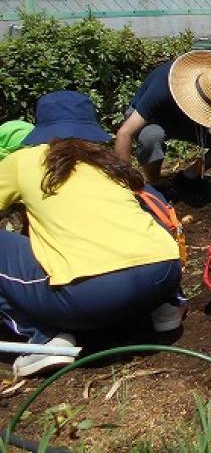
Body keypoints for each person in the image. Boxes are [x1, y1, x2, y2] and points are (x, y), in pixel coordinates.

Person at [0, 91, 183, 378]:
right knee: (139, 209)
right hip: (163, 274)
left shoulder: (24, 160)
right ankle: (166, 307)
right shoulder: (108, 162)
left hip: (89, 297)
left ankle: (45, 339)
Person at [115, 50, 211, 190]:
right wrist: (125, 185)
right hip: (154, 118)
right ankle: (155, 181)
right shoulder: (163, 86)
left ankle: (190, 174)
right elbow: (124, 133)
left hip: (185, 120)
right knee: (151, 137)